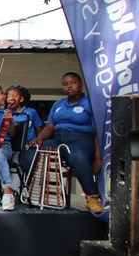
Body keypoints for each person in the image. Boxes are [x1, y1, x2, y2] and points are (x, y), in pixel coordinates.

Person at [26, 72, 103, 213]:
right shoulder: (58, 104)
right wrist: (39, 139)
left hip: (81, 140)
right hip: (58, 140)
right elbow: (50, 127)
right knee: (33, 150)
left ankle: (92, 197)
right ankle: (28, 191)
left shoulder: (90, 103)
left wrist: (98, 158)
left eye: (73, 82)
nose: (69, 86)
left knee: (77, 156)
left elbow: (98, 131)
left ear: (80, 84)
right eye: (65, 84)